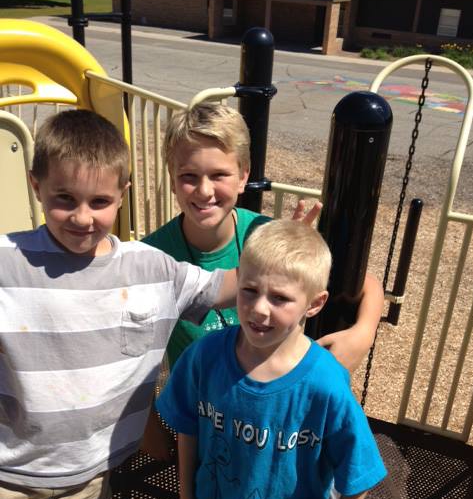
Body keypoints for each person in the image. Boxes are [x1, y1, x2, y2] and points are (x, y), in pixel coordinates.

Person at [0, 109, 239, 499]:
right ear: (36, 187)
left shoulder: (151, 269)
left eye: (99, 201)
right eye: (64, 199)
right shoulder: (8, 262)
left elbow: (224, 287)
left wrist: (289, 252)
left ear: (122, 195)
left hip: (93, 471)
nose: (82, 217)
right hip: (15, 474)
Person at [157, 219, 387, 499]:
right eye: (249, 290)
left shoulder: (324, 383)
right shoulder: (205, 357)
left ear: (314, 304)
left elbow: (361, 466)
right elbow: (188, 427)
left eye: (279, 298)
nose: (259, 308)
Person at [142, 102, 383, 376]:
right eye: (189, 176)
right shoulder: (152, 255)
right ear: (172, 179)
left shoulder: (267, 236)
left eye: (219, 175)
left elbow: (364, 282)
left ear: (243, 176)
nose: (205, 190)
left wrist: (363, 333)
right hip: (198, 399)